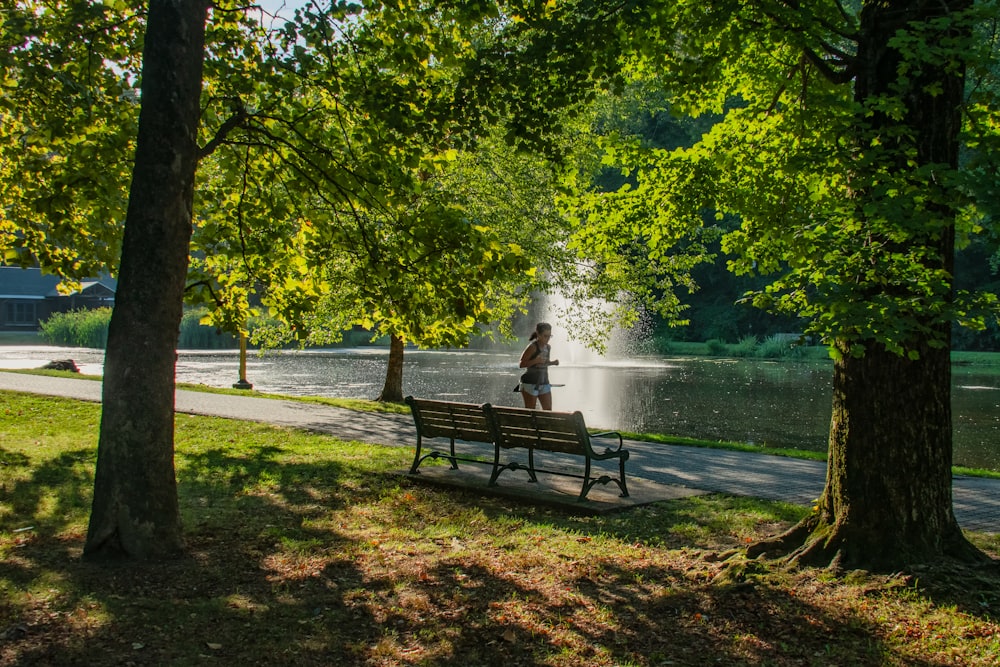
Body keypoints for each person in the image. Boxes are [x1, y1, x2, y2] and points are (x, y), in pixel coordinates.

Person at [518, 322, 559, 410]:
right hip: (530, 382)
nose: (548, 339)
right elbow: (521, 364)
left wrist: (552, 363)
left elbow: (543, 363)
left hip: (544, 381)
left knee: (548, 411)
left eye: (549, 336)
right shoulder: (532, 347)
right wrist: (535, 361)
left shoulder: (548, 347)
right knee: (531, 412)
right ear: (538, 335)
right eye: (545, 336)